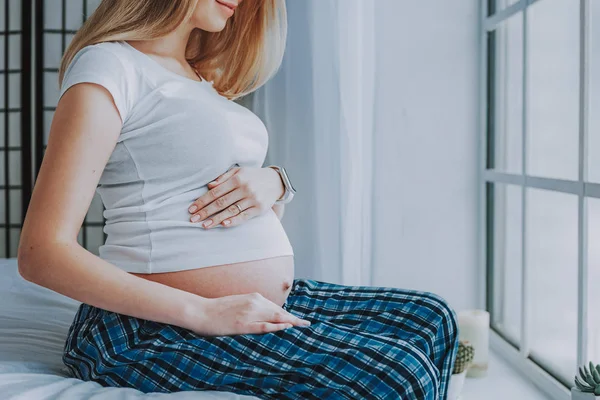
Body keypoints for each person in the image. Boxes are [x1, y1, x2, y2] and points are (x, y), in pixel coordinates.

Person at [17, 0, 458, 398]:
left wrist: (277, 182)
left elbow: (235, 207)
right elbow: (42, 252)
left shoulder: (200, 77)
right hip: (151, 327)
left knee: (430, 318)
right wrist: (204, 311)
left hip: (251, 303)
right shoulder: (110, 64)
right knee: (396, 374)